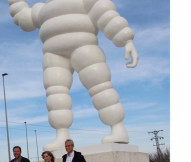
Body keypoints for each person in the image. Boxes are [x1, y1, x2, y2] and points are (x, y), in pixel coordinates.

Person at [8, 0, 139, 151]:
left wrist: (126, 39)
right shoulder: (42, 10)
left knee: (100, 86)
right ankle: (62, 134)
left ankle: (118, 128)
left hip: (84, 46)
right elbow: (23, 18)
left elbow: (106, 14)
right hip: (53, 54)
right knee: (56, 94)